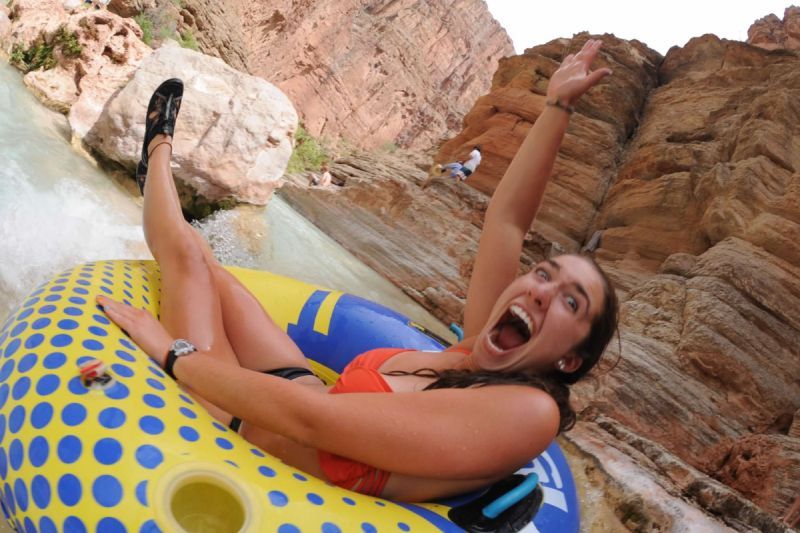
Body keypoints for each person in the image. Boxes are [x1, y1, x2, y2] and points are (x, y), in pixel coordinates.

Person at [97, 39, 616, 502]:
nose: (543, 292)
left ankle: (156, 154)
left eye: (572, 301)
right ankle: (154, 171)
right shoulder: (481, 354)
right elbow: (505, 223)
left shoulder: (528, 410)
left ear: (572, 359)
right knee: (209, 264)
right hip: (294, 382)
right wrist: (556, 105)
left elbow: (314, 422)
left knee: (188, 256)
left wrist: (171, 354)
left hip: (242, 420)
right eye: (544, 275)